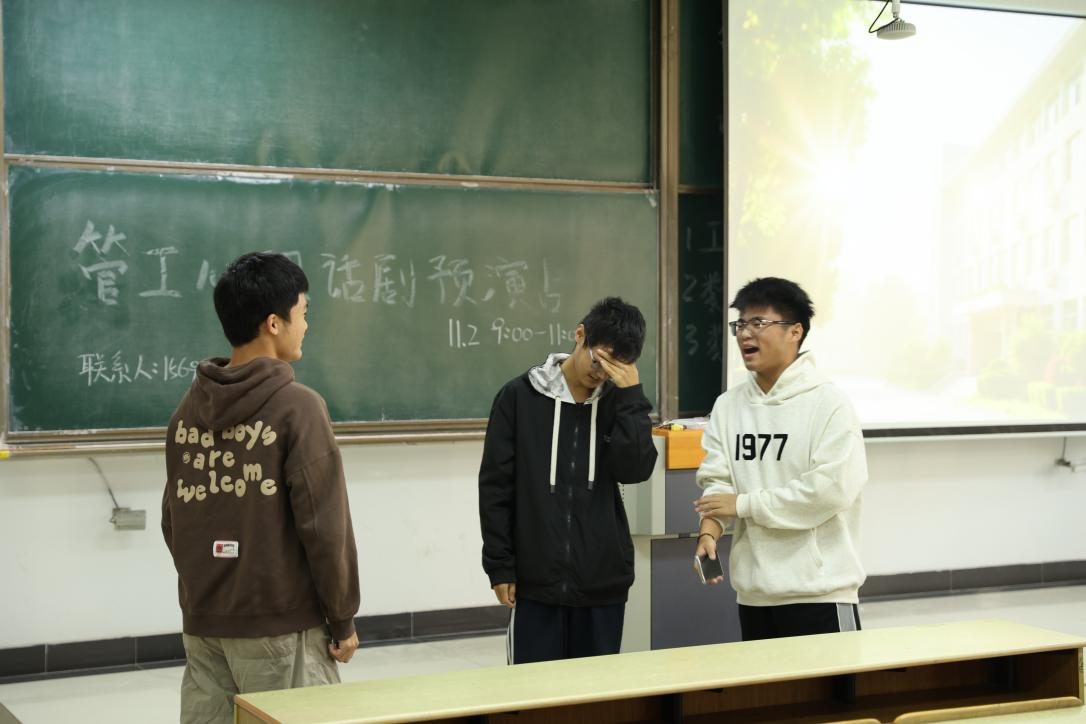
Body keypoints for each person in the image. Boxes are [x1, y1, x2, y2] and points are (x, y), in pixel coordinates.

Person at [161, 251, 360, 723]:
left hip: (204, 624)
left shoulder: (187, 412)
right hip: (280, 627)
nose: (306, 325)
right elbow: (324, 527)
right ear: (274, 323)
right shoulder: (298, 407)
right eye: (303, 313)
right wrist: (342, 618)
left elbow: (174, 519)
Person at [479, 297, 658, 664]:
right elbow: (496, 487)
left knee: (596, 692)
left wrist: (632, 397)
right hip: (535, 581)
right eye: (599, 360)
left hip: (603, 582)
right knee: (534, 691)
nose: (601, 374)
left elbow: (636, 470)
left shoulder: (619, 402)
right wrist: (500, 565)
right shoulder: (519, 396)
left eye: (615, 368)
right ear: (580, 335)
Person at [693, 277, 867, 641]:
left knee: (834, 682)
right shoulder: (728, 405)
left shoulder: (829, 403)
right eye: (740, 324)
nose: (744, 334)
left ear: (795, 331)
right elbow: (717, 480)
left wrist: (743, 504)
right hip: (754, 596)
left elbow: (828, 491)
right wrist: (710, 530)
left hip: (821, 594)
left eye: (758, 323)